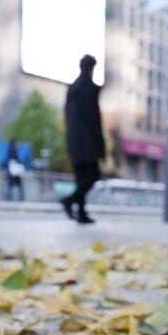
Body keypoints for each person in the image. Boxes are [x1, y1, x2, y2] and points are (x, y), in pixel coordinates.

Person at [62, 54, 105, 225]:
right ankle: (70, 200)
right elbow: (94, 118)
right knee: (94, 174)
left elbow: (66, 114)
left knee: (80, 177)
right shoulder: (90, 88)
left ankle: (81, 212)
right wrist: (100, 145)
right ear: (91, 68)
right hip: (87, 141)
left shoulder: (72, 88)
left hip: (73, 139)